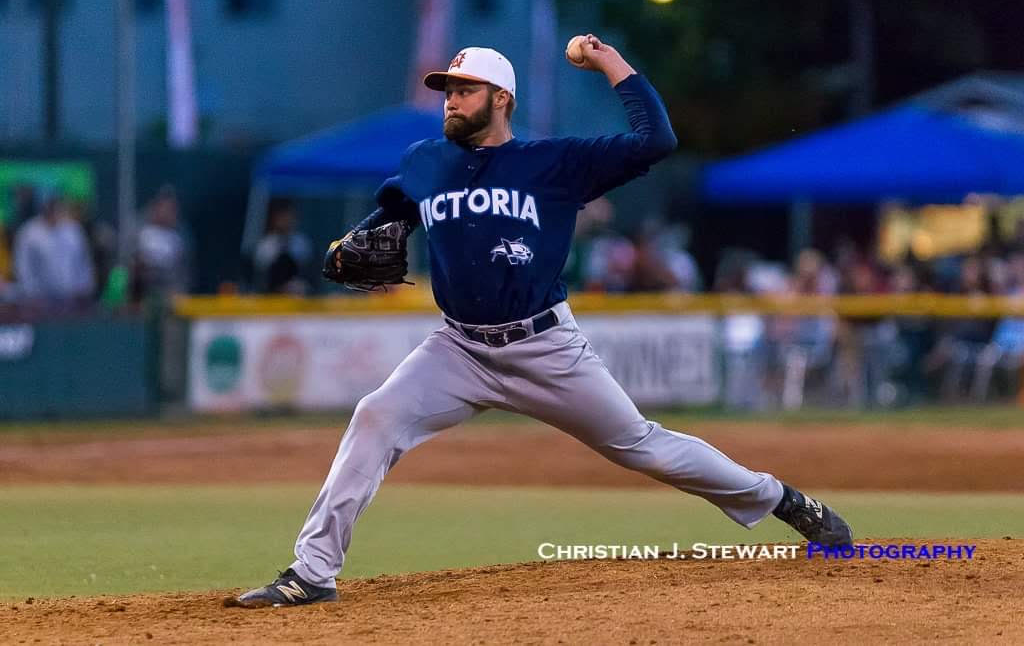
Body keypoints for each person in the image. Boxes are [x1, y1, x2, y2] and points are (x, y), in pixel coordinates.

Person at [233, 37, 852, 608]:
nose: (451, 100)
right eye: (448, 90)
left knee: (643, 446)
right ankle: (312, 573)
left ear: (501, 99)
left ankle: (782, 499)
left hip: (545, 346)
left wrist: (607, 60)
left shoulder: (554, 163)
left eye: (465, 89)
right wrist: (358, 239)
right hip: (458, 349)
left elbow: (656, 141)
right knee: (375, 416)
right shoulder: (426, 161)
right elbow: (395, 211)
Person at [13, 186, 95, 309]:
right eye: (49, 205)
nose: (53, 209)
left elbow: (83, 262)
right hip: (39, 300)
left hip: (71, 298)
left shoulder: (73, 229)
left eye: (56, 204)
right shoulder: (29, 232)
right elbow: (23, 266)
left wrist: (86, 287)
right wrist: (30, 293)